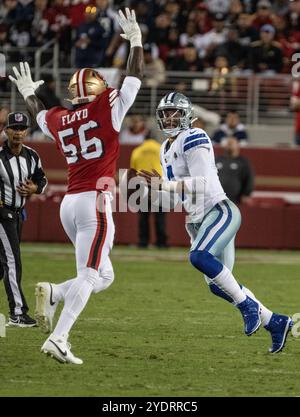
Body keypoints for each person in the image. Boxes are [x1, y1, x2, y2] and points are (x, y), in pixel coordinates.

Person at [9, 7, 143, 365]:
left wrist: (27, 91)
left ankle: (54, 293)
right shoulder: (107, 108)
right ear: (99, 87)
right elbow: (134, 80)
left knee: (105, 274)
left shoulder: (61, 117)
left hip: (69, 203)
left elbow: (39, 113)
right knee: (89, 273)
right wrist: (136, 43)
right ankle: (59, 337)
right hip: (94, 202)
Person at [139, 91, 293, 354]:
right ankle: (275, 322)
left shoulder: (195, 136)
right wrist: (152, 191)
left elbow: (202, 184)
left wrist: (164, 184)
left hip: (219, 211)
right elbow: (178, 192)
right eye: (165, 113)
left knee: (198, 257)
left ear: (187, 114)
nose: (169, 117)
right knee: (217, 284)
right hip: (197, 220)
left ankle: (248, 307)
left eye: (174, 111)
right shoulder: (165, 147)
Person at [0, 111, 47, 327]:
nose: (18, 133)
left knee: (2, 267)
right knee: (12, 262)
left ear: (26, 131)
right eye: (14, 128)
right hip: (2, 214)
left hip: (18, 214)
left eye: (21, 129)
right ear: (6, 130)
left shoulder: (32, 155)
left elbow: (42, 179)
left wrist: (35, 188)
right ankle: (17, 312)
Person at [130, 137, 167, 248]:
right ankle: (161, 242)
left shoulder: (138, 150)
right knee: (160, 215)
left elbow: (133, 168)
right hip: (158, 182)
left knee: (143, 216)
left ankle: (143, 241)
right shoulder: (161, 148)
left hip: (142, 183)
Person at [216, 137, 254, 205]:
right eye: (228, 143)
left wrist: (246, 194)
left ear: (237, 146)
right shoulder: (217, 160)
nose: (230, 145)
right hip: (217, 199)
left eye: (232, 144)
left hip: (236, 200)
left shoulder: (243, 162)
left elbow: (249, 179)